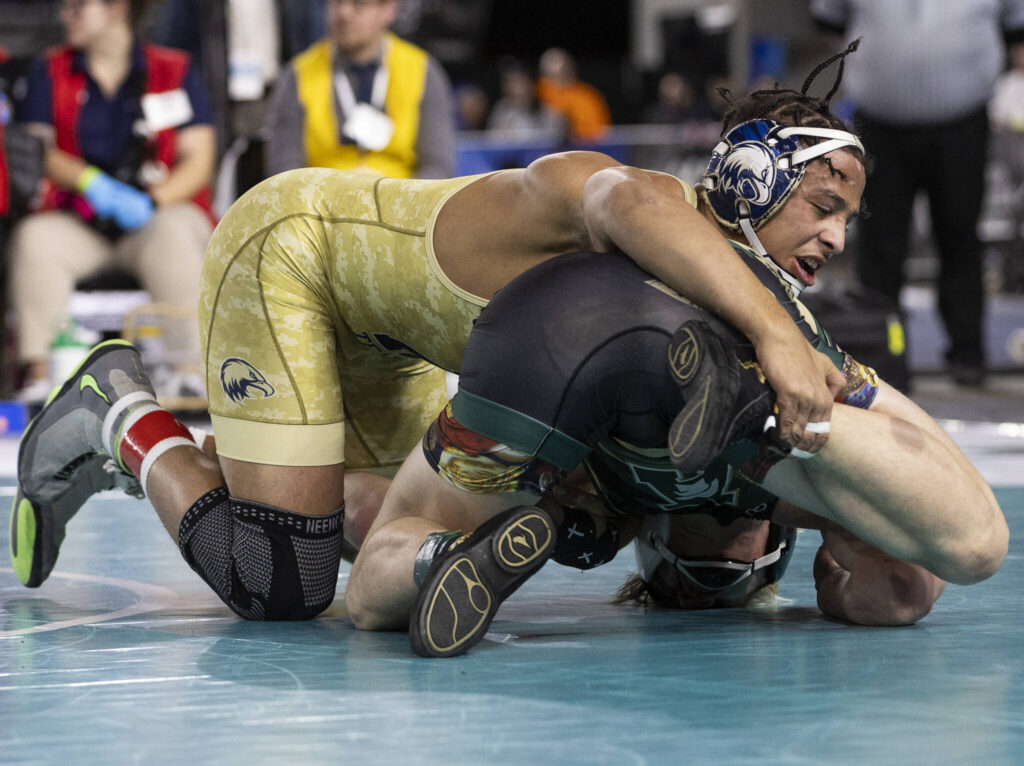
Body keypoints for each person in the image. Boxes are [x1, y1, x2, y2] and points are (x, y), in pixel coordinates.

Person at [9, 54, 866, 634]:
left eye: (849, 221)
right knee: (279, 578)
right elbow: (625, 203)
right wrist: (775, 332)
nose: (835, 239)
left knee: (397, 524)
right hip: (290, 255)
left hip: (394, 340)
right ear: (752, 180)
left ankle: (244, 471)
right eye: (824, 208)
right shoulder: (643, 201)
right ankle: (117, 412)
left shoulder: (713, 321)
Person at [346, 161, 1003, 656]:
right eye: (722, 571)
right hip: (625, 353)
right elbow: (908, 584)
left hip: (545, 325)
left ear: (655, 546)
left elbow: (366, 507)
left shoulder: (608, 518)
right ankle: (753, 407)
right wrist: (841, 585)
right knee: (977, 548)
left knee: (375, 593)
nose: (714, 563)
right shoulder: (782, 482)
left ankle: (445, 553)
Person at [6, 0, 216, 401]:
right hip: (82, 219)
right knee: (35, 238)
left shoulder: (174, 69)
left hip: (152, 217)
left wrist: (153, 201)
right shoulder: (49, 69)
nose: (65, 15)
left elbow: (199, 159)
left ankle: (190, 373)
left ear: (117, 8)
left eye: (77, 7)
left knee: (175, 233)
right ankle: (42, 377)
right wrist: (90, 182)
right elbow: (37, 149)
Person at [810, 1, 1024, 387]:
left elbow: (1016, 29)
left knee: (961, 238)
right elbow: (829, 20)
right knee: (880, 246)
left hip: (962, 123)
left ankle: (967, 355)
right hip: (880, 124)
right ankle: (879, 357)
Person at [264, 0, 456, 179]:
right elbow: (285, 170)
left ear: (389, 9)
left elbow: (438, 166)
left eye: (358, 4)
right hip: (321, 198)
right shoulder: (297, 75)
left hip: (401, 196)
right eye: (336, 2)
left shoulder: (422, 71)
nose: (344, 13)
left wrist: (401, 201)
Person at [535, 47, 611, 144]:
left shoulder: (586, 96)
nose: (554, 82)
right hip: (539, 147)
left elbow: (599, 133)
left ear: (570, 71)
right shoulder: (536, 92)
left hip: (579, 147)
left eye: (561, 74)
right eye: (549, 76)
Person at [486, 57, 564, 142]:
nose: (515, 90)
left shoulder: (550, 114)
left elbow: (554, 141)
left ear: (532, 86)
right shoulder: (501, 111)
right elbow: (493, 142)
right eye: (510, 84)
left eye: (520, 83)